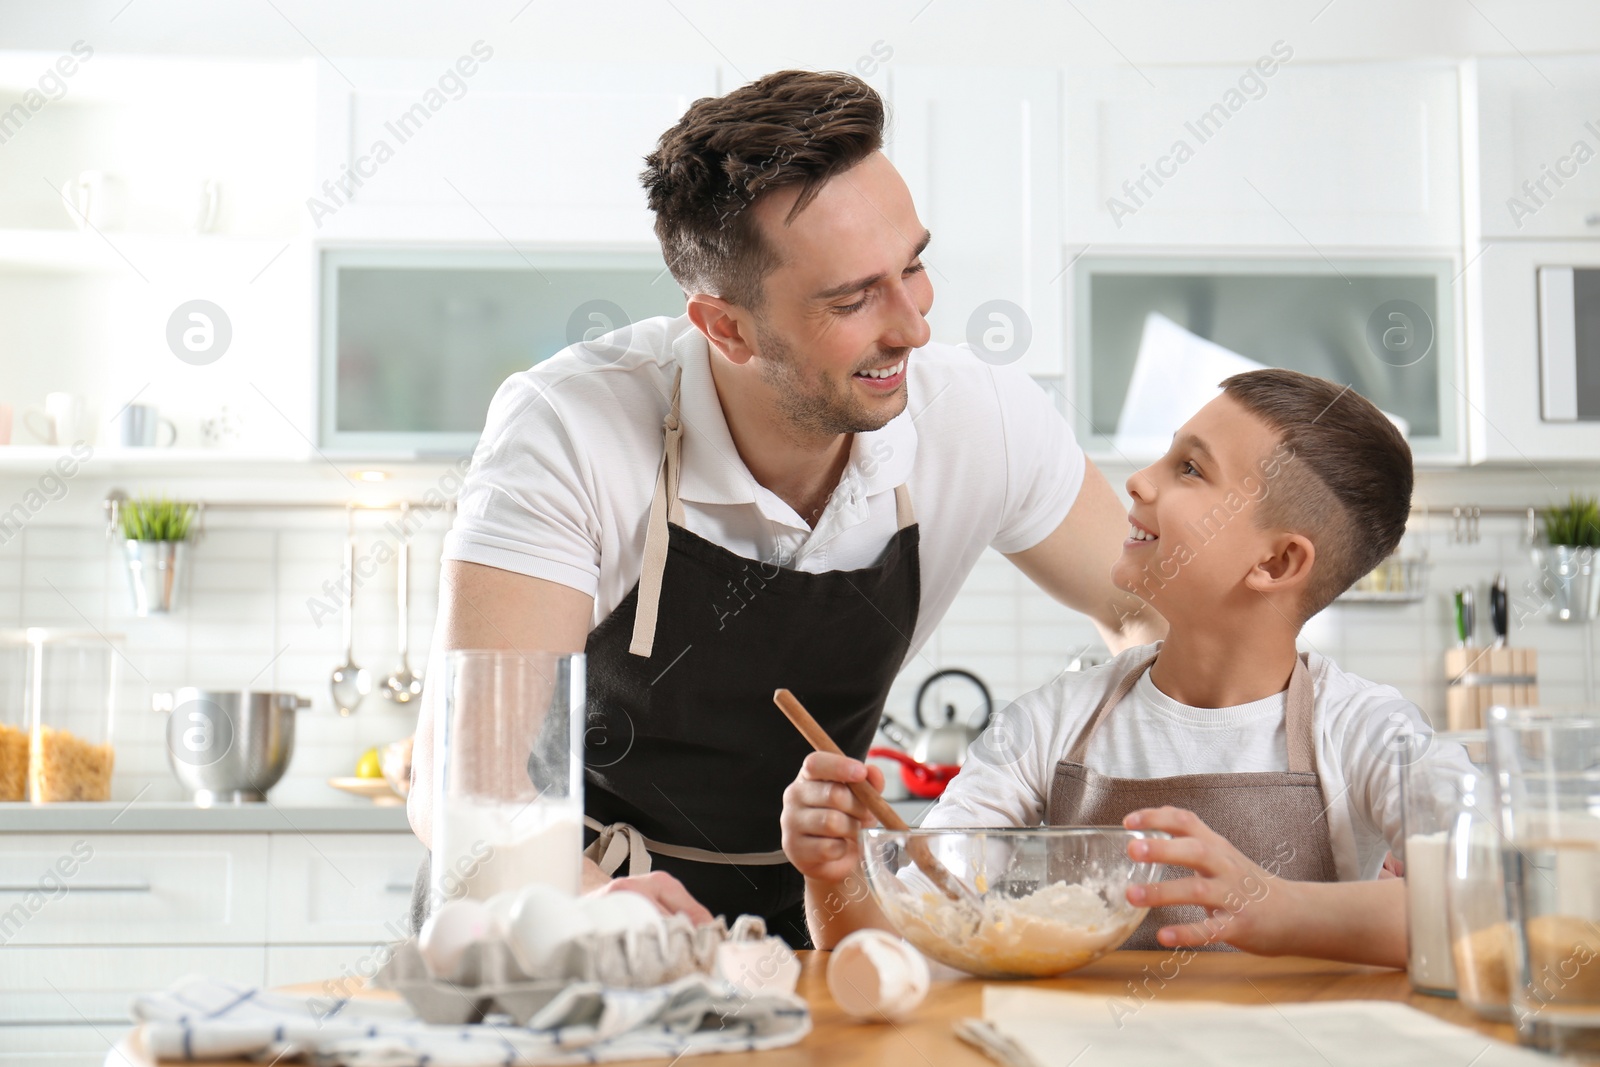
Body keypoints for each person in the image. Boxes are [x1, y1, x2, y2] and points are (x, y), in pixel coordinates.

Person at [407, 69, 1164, 947]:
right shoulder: (570, 428)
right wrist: (591, 906)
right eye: (851, 299)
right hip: (564, 915)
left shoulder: (981, 419)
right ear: (725, 327)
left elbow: (1151, 611)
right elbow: (472, 783)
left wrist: (1130, 811)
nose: (914, 325)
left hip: (806, 920)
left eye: (913, 266)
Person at [783, 368, 1447, 965]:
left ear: (1275, 563)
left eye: (1190, 468)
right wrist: (833, 874)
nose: (1139, 479)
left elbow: (1490, 900)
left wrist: (1274, 906)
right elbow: (902, 940)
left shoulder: (1365, 730)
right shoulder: (1049, 725)